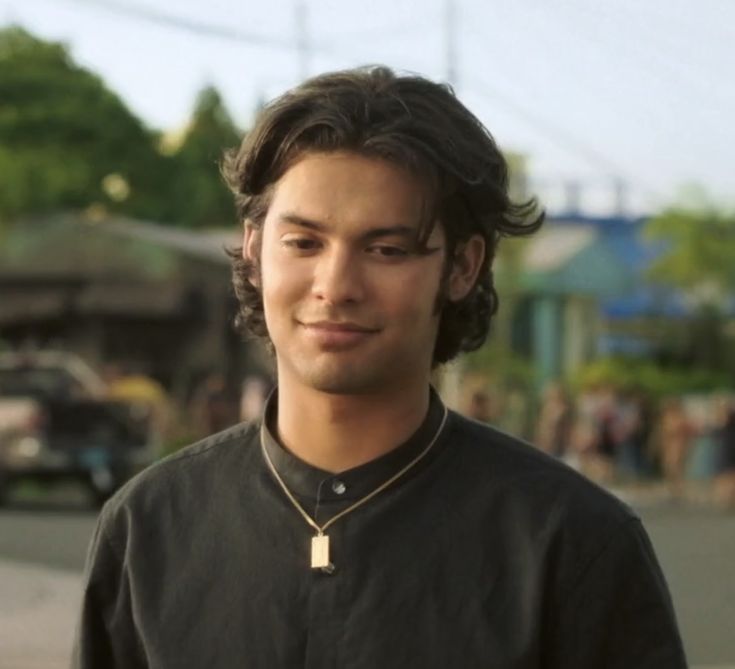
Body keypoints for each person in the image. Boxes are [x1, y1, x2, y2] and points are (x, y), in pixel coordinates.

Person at [73, 66, 686, 668]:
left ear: (463, 267)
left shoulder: (571, 542)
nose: (336, 286)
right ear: (256, 249)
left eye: (387, 249)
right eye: (304, 243)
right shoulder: (147, 528)